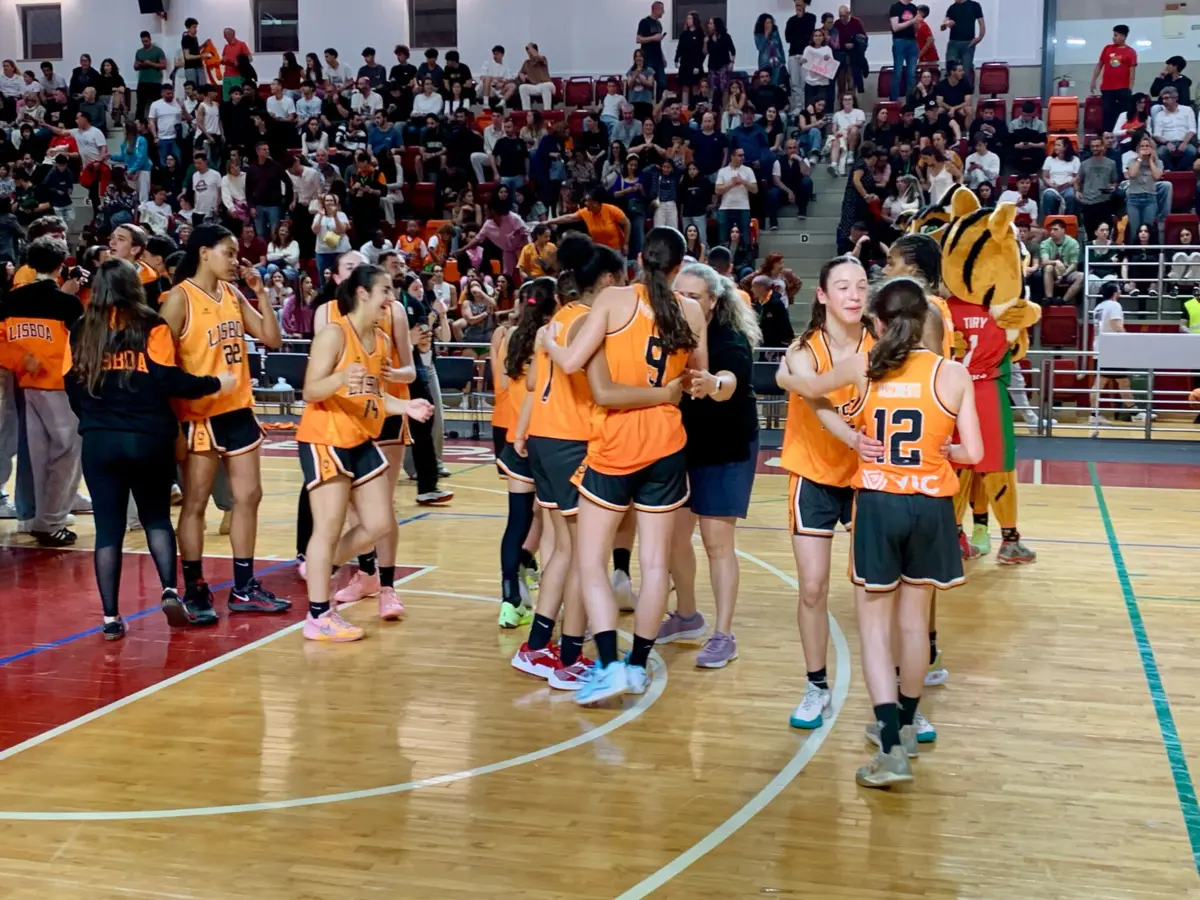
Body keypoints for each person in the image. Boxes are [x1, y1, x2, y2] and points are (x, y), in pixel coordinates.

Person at [802, 276, 981, 787]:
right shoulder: (952, 373)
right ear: (925, 320)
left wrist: (798, 377)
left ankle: (889, 747)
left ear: (877, 324)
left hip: (880, 504)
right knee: (914, 624)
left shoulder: (866, 366)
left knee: (875, 628)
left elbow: (807, 389)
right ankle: (905, 724)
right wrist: (946, 451)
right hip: (931, 505)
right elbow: (974, 453)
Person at [540, 226, 707, 703]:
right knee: (655, 564)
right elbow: (696, 378)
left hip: (618, 441)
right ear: (679, 266)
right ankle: (637, 666)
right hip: (667, 441)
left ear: (638, 259)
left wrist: (551, 344)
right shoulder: (692, 310)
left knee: (591, 559)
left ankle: (611, 663)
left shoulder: (615, 300)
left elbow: (571, 362)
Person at [62, 259, 236, 637]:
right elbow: (166, 379)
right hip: (148, 437)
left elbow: (70, 384)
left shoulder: (80, 328)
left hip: (100, 440)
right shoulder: (151, 325)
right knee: (156, 518)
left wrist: (92, 418)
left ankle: (110, 618)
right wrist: (214, 383)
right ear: (133, 286)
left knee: (108, 531)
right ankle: (170, 590)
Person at [297, 264, 432, 642]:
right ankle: (318, 616)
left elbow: (374, 395)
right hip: (326, 437)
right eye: (384, 290)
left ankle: (321, 567)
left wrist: (405, 407)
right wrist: (340, 378)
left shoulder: (381, 340)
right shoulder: (333, 333)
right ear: (362, 293)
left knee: (380, 522)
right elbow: (310, 391)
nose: (391, 298)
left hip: (360, 437)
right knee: (328, 526)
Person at [159, 225, 286, 620]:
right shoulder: (179, 299)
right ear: (203, 253)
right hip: (199, 413)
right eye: (228, 253)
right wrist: (171, 425)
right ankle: (195, 588)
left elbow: (272, 338)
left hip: (238, 408)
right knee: (195, 503)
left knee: (249, 496)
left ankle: (244, 587)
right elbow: (159, 365)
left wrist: (261, 293)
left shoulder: (232, 293)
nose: (235, 260)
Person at [774, 254, 875, 728]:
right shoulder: (803, 348)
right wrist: (854, 437)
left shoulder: (882, 344)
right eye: (843, 287)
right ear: (822, 295)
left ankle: (894, 695)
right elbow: (816, 398)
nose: (854, 295)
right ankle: (816, 685)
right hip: (813, 473)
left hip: (867, 477)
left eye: (862, 286)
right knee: (813, 588)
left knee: (875, 589)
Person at [658, 263, 760, 668]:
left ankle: (723, 634)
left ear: (713, 301)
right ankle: (687, 616)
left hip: (726, 447)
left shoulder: (729, 337)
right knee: (672, 538)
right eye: (678, 294)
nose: (683, 302)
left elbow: (729, 381)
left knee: (718, 543)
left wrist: (714, 384)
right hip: (680, 446)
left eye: (693, 296)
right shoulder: (667, 333)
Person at [0, 237, 82, 547]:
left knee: (36, 454)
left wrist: (22, 360)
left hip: (25, 385)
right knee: (68, 453)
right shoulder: (68, 304)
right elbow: (81, 347)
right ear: (62, 265)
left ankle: (38, 515)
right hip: (60, 387)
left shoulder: (11, 299)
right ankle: (51, 521)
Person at [1088, 281, 1143, 432]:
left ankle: (1095, 415)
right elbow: (1116, 325)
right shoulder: (1114, 305)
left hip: (1100, 347)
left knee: (1105, 382)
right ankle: (1134, 413)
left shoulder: (1099, 307)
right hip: (1112, 348)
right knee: (1119, 381)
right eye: (1119, 289)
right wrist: (1127, 341)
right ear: (1115, 292)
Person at [1091, 24, 1137, 134]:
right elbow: (1099, 65)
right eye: (1114, 35)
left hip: (1123, 88)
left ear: (1124, 37)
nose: (1113, 37)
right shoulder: (1107, 49)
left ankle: (1121, 135)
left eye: (1116, 35)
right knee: (1107, 114)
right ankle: (1107, 136)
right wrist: (1093, 80)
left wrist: (1130, 88)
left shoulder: (1131, 52)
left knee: (1122, 114)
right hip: (1107, 88)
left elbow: (1132, 72)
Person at [1078, 135, 1119, 239]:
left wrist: (1113, 187)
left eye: (1097, 146)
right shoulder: (1084, 164)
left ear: (1102, 146)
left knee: (1105, 234)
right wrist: (1077, 191)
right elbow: (1077, 181)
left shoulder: (1111, 163)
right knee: (1090, 234)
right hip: (1088, 202)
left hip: (1104, 202)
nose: (1095, 148)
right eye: (1093, 146)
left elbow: (1114, 181)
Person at [714, 146, 757, 245]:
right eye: (740, 155)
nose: (743, 157)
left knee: (745, 236)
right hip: (726, 207)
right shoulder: (723, 171)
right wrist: (731, 183)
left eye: (743, 155)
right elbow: (717, 190)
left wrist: (743, 182)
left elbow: (755, 189)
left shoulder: (748, 170)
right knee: (723, 237)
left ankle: (745, 253)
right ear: (732, 156)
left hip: (743, 207)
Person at [1150, 87, 1197, 172]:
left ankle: (1179, 171)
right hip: (1167, 143)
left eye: (1167, 98)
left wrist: (1184, 143)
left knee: (1192, 151)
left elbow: (1192, 130)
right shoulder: (1160, 115)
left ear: (1175, 98)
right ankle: (1172, 171)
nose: (1164, 101)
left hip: (1184, 141)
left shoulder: (1187, 110)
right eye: (1163, 99)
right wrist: (1167, 143)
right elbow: (1157, 135)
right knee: (1160, 152)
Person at [770, 138, 814, 224]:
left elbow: (806, 173)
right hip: (784, 190)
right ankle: (773, 222)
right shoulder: (778, 161)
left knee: (807, 181)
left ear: (798, 149)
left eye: (794, 147)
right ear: (785, 150)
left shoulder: (803, 160)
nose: (792, 150)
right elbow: (776, 181)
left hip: (799, 191)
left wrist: (799, 160)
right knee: (772, 193)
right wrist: (789, 192)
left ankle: (802, 212)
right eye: (789, 148)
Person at [941, 0, 985, 82]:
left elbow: (981, 23)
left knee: (965, 72)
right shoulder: (952, 8)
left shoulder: (974, 5)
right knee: (950, 70)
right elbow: (943, 26)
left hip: (968, 43)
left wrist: (979, 37)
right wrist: (946, 24)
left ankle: (965, 89)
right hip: (953, 43)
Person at [888, 0, 921, 103]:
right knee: (898, 72)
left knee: (911, 74)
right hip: (899, 41)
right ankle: (894, 101)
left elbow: (916, 26)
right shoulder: (895, 7)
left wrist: (917, 23)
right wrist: (912, 21)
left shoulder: (913, 7)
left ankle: (910, 101)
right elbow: (895, 27)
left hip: (912, 41)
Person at [1041, 136, 1080, 217]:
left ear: (1065, 147)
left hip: (1068, 186)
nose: (1055, 147)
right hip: (1053, 187)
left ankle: (1069, 218)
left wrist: (1068, 183)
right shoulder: (1049, 159)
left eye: (1058, 145)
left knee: (1070, 196)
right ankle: (1049, 219)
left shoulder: (1075, 159)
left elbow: (1077, 176)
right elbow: (1045, 177)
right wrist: (1051, 185)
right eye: (1055, 145)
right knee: (1048, 196)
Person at [676, 10, 708, 109]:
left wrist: (698, 65)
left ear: (695, 20)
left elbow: (702, 53)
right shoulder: (684, 34)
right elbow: (679, 48)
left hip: (695, 65)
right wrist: (676, 59)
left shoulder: (700, 34)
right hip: (685, 64)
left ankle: (695, 107)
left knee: (695, 86)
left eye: (690, 18)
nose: (688, 20)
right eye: (687, 19)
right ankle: (684, 108)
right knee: (685, 86)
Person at [133, 31, 167, 118]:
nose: (145, 43)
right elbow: (135, 67)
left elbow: (163, 65)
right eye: (143, 41)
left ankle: (159, 121)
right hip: (142, 81)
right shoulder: (139, 52)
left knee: (157, 103)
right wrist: (139, 65)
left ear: (150, 39)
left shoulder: (158, 51)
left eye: (146, 41)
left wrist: (150, 63)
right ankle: (139, 122)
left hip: (155, 81)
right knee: (140, 104)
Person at [517, 43, 554, 110]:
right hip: (536, 86)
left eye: (530, 51)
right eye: (528, 51)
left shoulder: (542, 59)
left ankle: (547, 111)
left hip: (547, 84)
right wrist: (521, 74)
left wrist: (531, 48)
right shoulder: (526, 63)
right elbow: (521, 72)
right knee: (522, 87)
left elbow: (537, 57)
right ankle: (527, 111)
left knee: (545, 87)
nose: (529, 53)